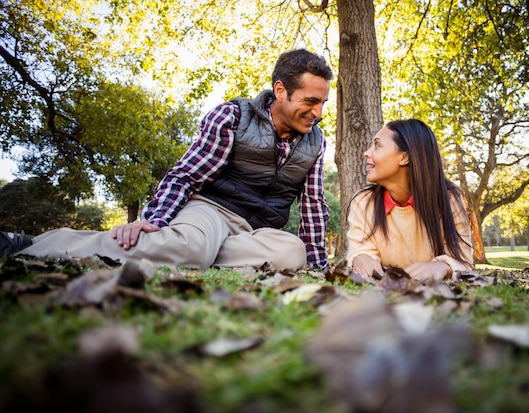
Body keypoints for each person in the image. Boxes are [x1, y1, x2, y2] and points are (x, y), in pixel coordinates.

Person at [18, 49, 333, 271]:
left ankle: (190, 250)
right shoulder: (234, 117)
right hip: (211, 212)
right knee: (192, 244)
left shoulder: (315, 142)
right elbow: (187, 175)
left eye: (322, 103)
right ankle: (40, 245)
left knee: (292, 253)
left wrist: (318, 265)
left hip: (254, 231)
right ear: (281, 90)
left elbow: (314, 205)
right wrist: (153, 222)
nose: (318, 113)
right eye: (311, 101)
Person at [346, 118, 473, 281]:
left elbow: (463, 261)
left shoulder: (448, 199)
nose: (367, 153)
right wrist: (360, 257)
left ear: (404, 157)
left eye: (377, 145)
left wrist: (444, 266)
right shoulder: (363, 202)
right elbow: (360, 249)